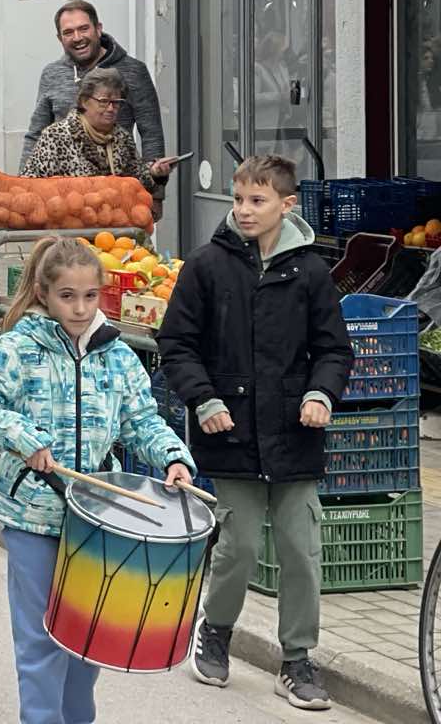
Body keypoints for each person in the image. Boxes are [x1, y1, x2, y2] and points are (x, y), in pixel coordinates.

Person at [0, 236, 196, 724]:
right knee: (42, 637)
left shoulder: (117, 354)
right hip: (32, 516)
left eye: (89, 296)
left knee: (86, 640)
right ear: (45, 293)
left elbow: (142, 420)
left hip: (95, 520)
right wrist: (22, 436)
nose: (80, 308)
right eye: (68, 296)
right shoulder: (20, 346)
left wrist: (173, 457)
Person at [157, 154, 352, 711]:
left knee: (300, 548)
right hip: (231, 432)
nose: (243, 210)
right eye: (238, 199)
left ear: (287, 205)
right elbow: (177, 344)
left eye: (256, 201)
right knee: (237, 545)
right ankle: (215, 631)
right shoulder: (206, 265)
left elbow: (335, 349)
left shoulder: (311, 271)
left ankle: (297, 659)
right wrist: (204, 399)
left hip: (296, 435)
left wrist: (320, 394)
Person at [23, 0, 163, 166]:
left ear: (98, 29)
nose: (77, 37)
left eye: (83, 29)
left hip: (116, 181)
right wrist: (23, 185)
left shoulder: (133, 71)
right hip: (62, 185)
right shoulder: (51, 74)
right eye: (68, 32)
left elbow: (151, 134)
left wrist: (154, 185)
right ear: (60, 38)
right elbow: (35, 134)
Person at [20, 67, 174, 196]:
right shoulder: (55, 136)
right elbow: (30, 187)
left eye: (116, 102)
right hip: (67, 227)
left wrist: (154, 172)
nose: (111, 108)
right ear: (84, 101)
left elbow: (136, 182)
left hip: (115, 226)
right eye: (103, 101)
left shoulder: (122, 138)